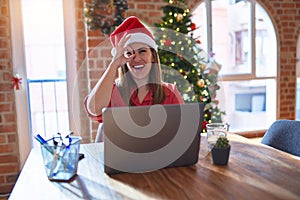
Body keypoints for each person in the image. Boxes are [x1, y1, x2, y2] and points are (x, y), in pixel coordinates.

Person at [84, 16, 184, 141]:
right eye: (129, 53)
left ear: (153, 56)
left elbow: (183, 133)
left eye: (142, 51)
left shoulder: (170, 92)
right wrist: (114, 64)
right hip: (121, 159)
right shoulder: (112, 92)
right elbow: (93, 109)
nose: (136, 58)